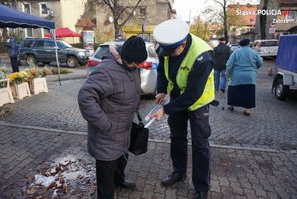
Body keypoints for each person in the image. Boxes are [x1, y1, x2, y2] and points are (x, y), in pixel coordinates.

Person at [152, 19, 215, 199]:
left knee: (200, 144)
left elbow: (193, 94)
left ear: (183, 44)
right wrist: (162, 89)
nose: (169, 55)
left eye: (173, 52)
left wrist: (166, 109)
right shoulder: (167, 48)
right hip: (178, 97)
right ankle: (178, 172)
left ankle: (202, 187)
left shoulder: (202, 56)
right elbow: (162, 71)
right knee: (177, 137)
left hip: (198, 101)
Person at [78, 36, 147, 199]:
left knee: (121, 160)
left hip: (124, 129)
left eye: (138, 63)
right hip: (107, 134)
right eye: (133, 63)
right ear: (124, 56)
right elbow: (85, 97)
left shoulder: (132, 67)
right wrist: (105, 124)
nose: (136, 66)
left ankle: (119, 181)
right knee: (105, 178)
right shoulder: (106, 70)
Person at [226, 38, 263, 116]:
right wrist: (254, 68)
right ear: (248, 44)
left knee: (234, 90)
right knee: (249, 92)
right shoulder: (254, 52)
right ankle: (247, 110)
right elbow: (260, 62)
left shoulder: (236, 52)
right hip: (250, 76)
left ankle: (231, 105)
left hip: (237, 75)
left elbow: (229, 65)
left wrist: (228, 75)